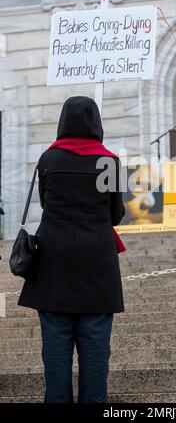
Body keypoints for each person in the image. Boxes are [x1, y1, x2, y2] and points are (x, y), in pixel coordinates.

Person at [18, 96, 125, 403]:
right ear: (97, 123)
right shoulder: (110, 162)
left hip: (52, 266)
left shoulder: (48, 160)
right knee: (94, 358)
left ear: (63, 121)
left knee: (55, 357)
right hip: (98, 269)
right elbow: (115, 215)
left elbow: (45, 202)